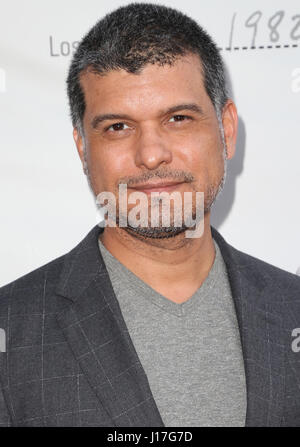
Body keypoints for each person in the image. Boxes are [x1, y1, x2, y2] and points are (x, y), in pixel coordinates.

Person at [0, 2, 299, 427]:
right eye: (118, 127)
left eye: (178, 118)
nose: (152, 155)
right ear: (83, 147)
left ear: (226, 130)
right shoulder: (11, 330)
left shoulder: (293, 310)